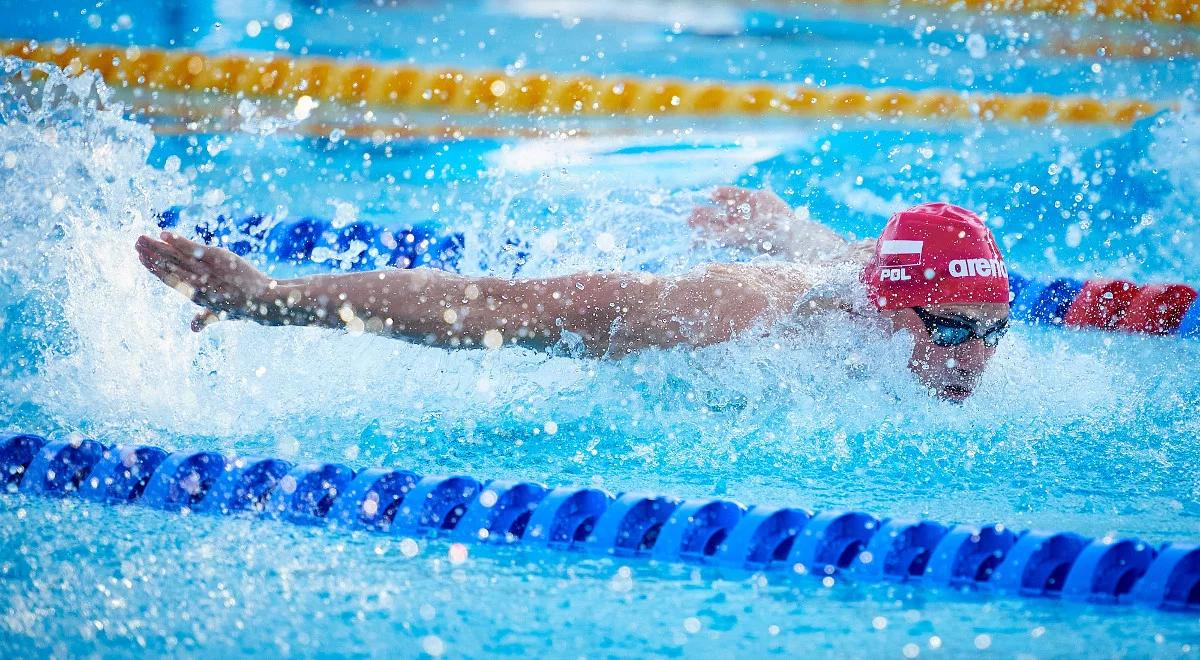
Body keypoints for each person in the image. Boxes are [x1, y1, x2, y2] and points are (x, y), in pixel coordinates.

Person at [135, 187, 1010, 401]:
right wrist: (276, 297)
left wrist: (785, 224)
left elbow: (859, 256)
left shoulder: (894, 295)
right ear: (893, 308)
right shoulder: (735, 317)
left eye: (994, 332)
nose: (977, 358)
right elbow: (496, 307)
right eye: (955, 331)